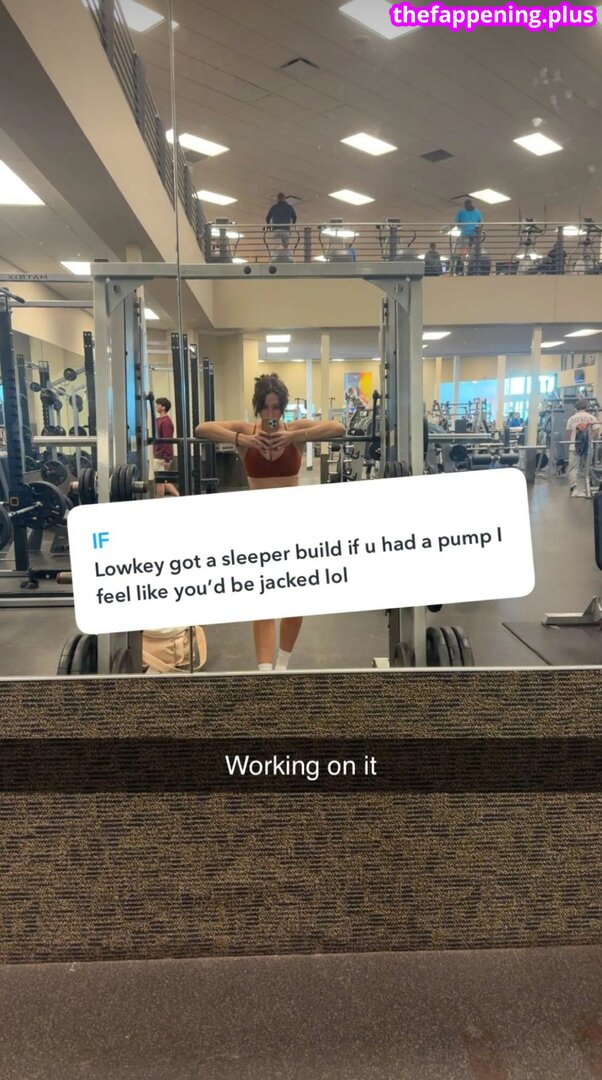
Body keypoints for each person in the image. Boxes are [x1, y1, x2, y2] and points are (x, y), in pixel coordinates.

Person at [195, 373, 345, 671]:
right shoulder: (246, 431)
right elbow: (202, 428)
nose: (271, 414)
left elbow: (338, 428)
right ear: (258, 407)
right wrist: (243, 440)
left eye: (276, 407)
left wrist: (295, 437)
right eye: (265, 407)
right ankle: (265, 673)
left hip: (293, 524)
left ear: (283, 408)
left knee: (295, 599)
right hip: (258, 525)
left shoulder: (295, 430)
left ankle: (282, 665)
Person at [566, 399, 599, 497]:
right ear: (586, 407)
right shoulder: (591, 417)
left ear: (576, 407)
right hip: (588, 446)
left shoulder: (571, 418)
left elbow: (569, 434)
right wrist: (590, 439)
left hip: (574, 446)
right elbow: (596, 432)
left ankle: (573, 487)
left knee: (573, 468)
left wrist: (572, 442)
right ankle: (589, 486)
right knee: (588, 466)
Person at [153, 397, 179, 497]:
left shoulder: (166, 422)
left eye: (158, 404)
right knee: (162, 480)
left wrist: (167, 459)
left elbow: (168, 440)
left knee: (160, 481)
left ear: (163, 407)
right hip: (158, 454)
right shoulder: (159, 420)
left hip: (161, 456)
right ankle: (178, 495)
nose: (156, 406)